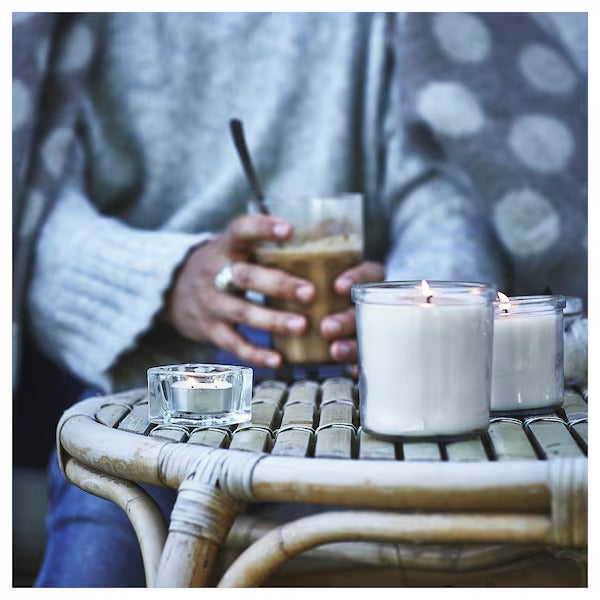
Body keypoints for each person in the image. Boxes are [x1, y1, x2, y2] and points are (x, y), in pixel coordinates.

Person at [12, 12, 585, 587]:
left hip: (349, 351)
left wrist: (404, 308)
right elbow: (29, 209)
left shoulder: (387, 21)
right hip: (146, 351)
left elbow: (438, 192)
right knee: (117, 492)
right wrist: (164, 279)